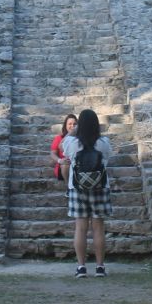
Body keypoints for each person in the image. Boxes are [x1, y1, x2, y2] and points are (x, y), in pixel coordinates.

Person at [61, 108, 113, 278]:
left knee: (80, 228)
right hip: (100, 187)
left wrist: (75, 130)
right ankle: (100, 267)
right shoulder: (103, 142)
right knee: (98, 228)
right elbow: (108, 157)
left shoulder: (72, 143)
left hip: (77, 188)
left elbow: (63, 146)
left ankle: (81, 267)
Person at [50, 114, 78, 184]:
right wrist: (60, 160)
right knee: (66, 164)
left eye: (75, 124)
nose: (72, 126)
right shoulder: (59, 138)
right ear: (65, 125)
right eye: (70, 124)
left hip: (78, 165)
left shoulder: (80, 138)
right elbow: (53, 153)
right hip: (64, 166)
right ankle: (69, 187)